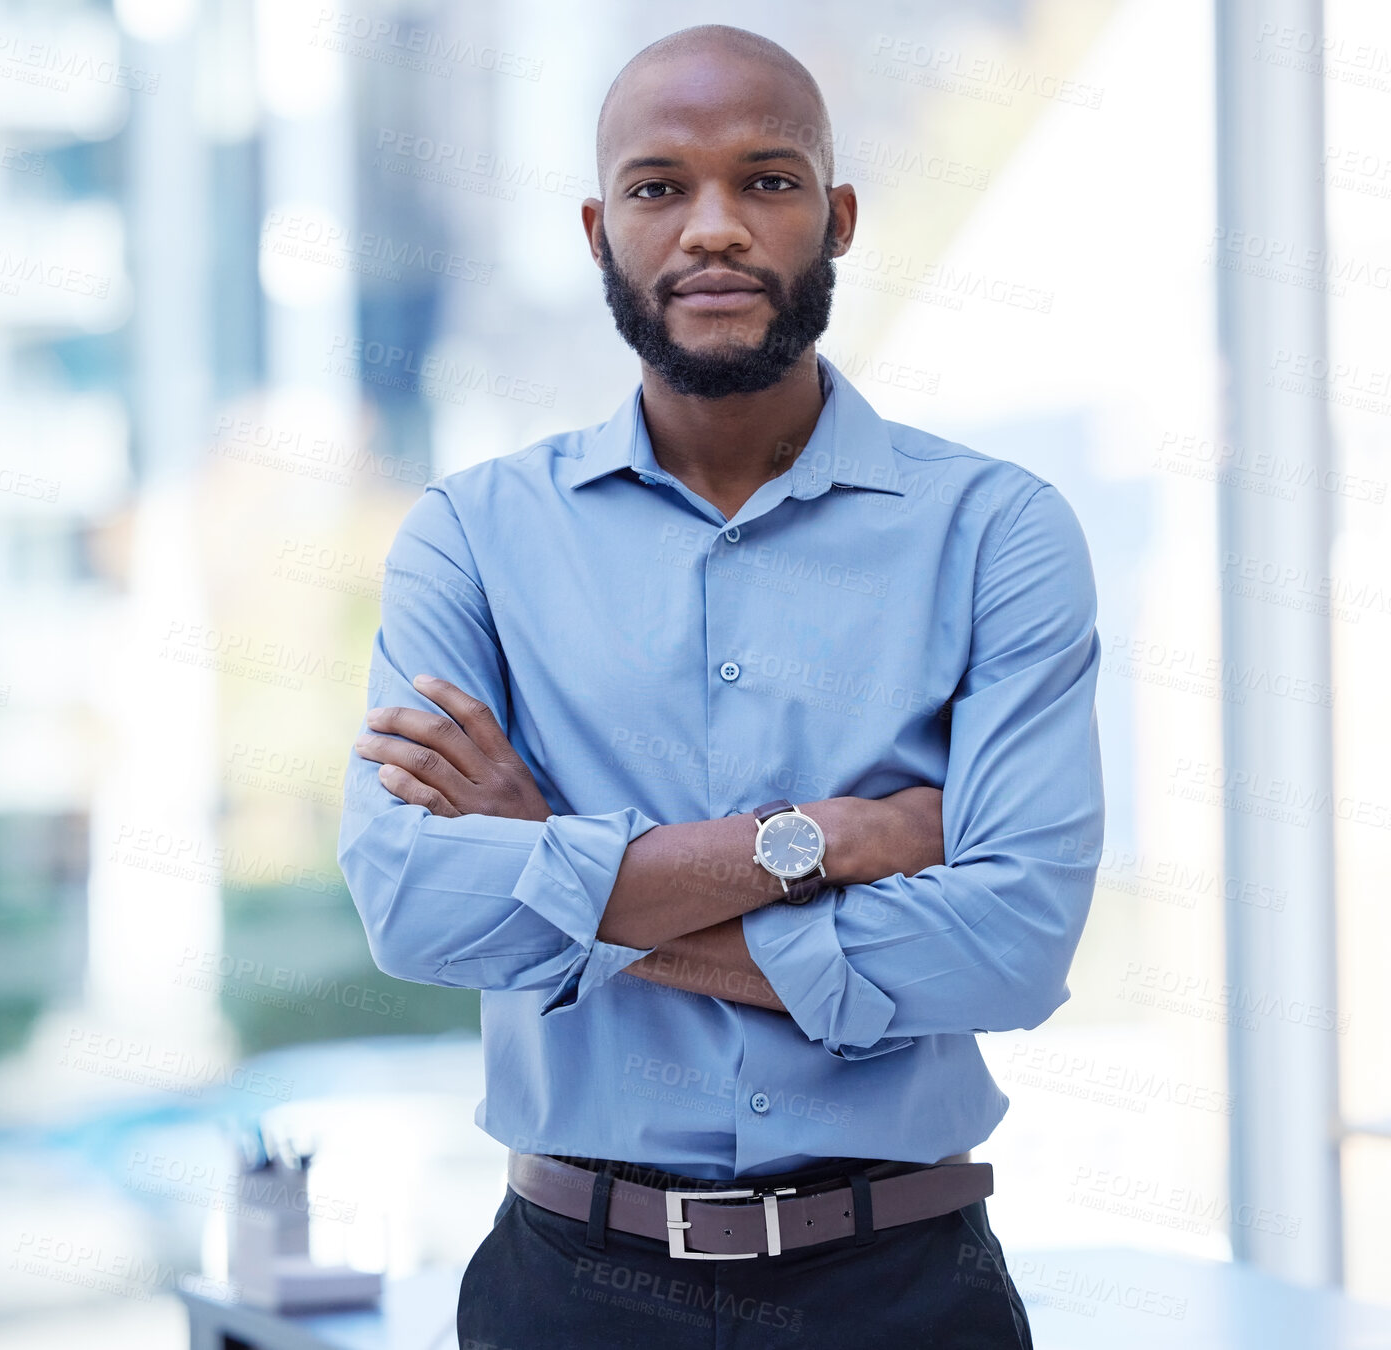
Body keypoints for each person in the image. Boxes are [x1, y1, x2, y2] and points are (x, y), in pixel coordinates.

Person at [339, 23, 1103, 1348]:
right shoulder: (471, 537)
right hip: (568, 1292)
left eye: (767, 179)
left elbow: (1011, 943)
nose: (714, 228)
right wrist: (821, 844)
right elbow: (412, 904)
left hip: (903, 1291)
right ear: (596, 230)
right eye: (657, 187)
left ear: (838, 217)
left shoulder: (997, 533)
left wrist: (555, 865)